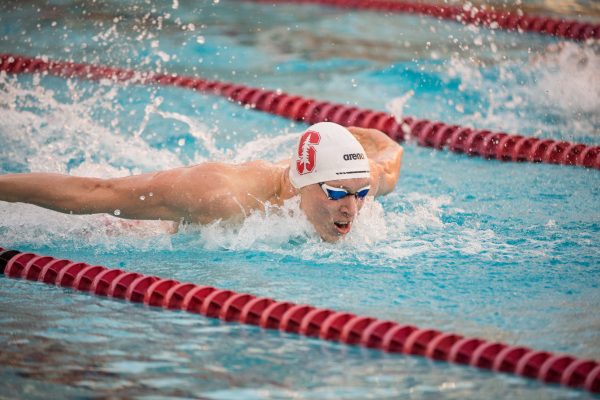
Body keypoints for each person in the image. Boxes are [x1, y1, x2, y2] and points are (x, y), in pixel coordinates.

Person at [0, 122, 403, 242]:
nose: (352, 208)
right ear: (302, 184)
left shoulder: (356, 176)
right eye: (336, 194)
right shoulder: (221, 195)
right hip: (153, 233)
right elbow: (96, 192)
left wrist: (360, 135)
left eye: (360, 193)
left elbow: (391, 159)